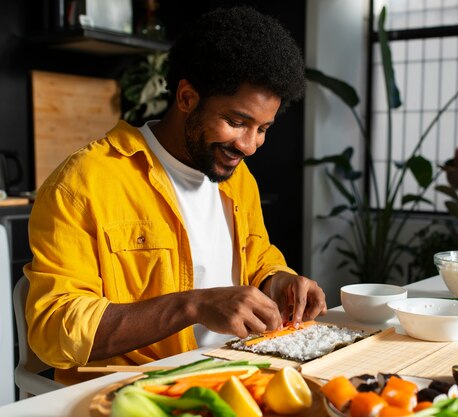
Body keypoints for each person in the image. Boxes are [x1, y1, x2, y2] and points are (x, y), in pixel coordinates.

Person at [24, 6, 327, 385]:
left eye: (262, 128)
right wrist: (194, 305)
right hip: (137, 390)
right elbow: (54, 331)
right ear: (186, 97)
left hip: (241, 371)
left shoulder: (237, 176)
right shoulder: (83, 183)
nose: (250, 146)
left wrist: (278, 279)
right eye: (236, 122)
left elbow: (257, 255)